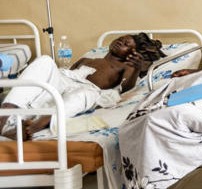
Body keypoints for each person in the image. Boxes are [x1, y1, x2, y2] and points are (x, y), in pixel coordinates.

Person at [0, 34, 160, 139]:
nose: (120, 42)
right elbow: (64, 77)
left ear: (132, 53)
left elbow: (126, 88)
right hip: (64, 79)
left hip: (90, 89)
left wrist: (137, 68)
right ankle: (5, 118)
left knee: (83, 94)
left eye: (126, 44)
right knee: (45, 60)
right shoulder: (87, 59)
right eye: (120, 39)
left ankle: (33, 128)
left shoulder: (125, 66)